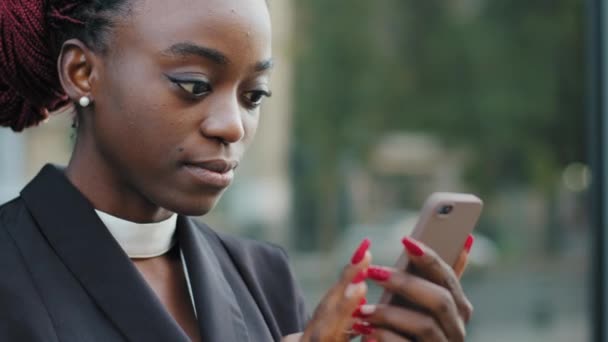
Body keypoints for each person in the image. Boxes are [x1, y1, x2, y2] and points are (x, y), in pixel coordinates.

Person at [0, 0, 474, 341]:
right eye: (194, 84)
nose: (232, 126)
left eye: (254, 96)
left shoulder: (264, 277)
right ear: (83, 72)